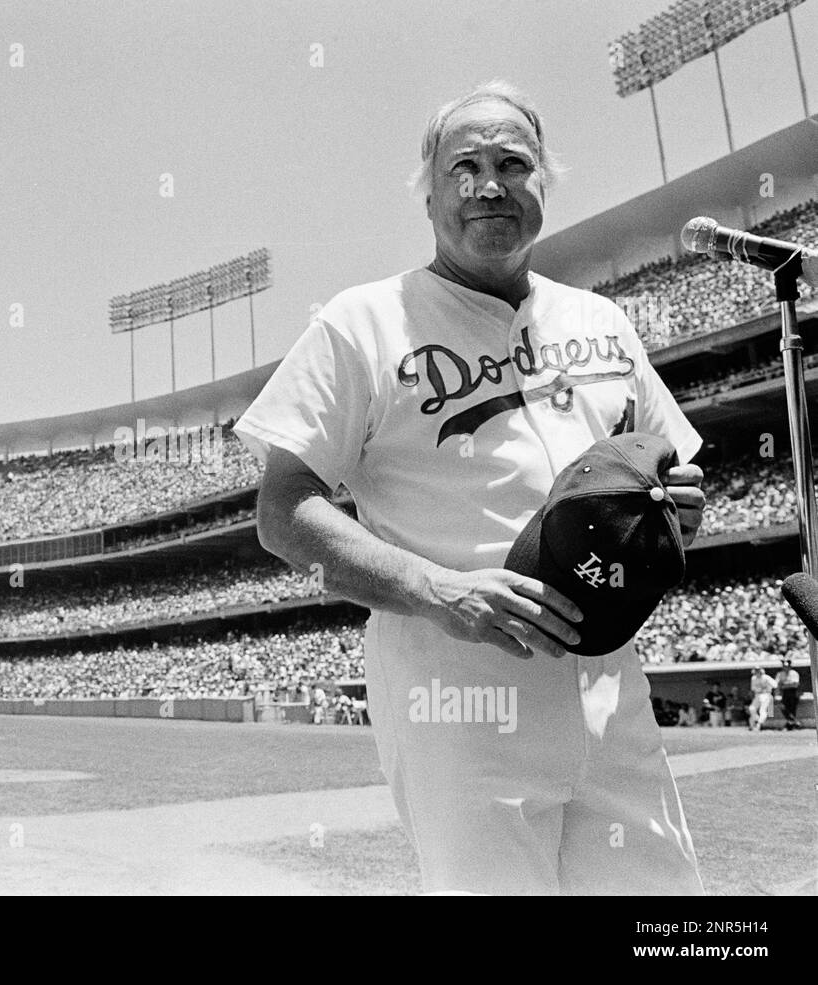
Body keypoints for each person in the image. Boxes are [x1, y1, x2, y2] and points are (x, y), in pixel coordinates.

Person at [236, 81, 706, 894]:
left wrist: (677, 514)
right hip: (459, 703)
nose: (489, 186)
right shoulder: (363, 322)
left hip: (609, 690)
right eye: (465, 167)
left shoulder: (603, 322)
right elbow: (283, 512)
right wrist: (436, 587)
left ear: (542, 188)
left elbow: (672, 470)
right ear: (429, 196)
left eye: (512, 164)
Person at [776, 658, 802, 730]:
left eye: (787, 666)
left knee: (792, 709)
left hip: (793, 692)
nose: (785, 668)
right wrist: (786, 685)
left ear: (790, 666)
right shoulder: (780, 673)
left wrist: (784, 684)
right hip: (784, 693)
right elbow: (777, 684)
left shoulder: (794, 673)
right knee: (783, 707)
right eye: (784, 666)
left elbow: (795, 684)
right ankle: (795, 722)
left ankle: (790, 726)